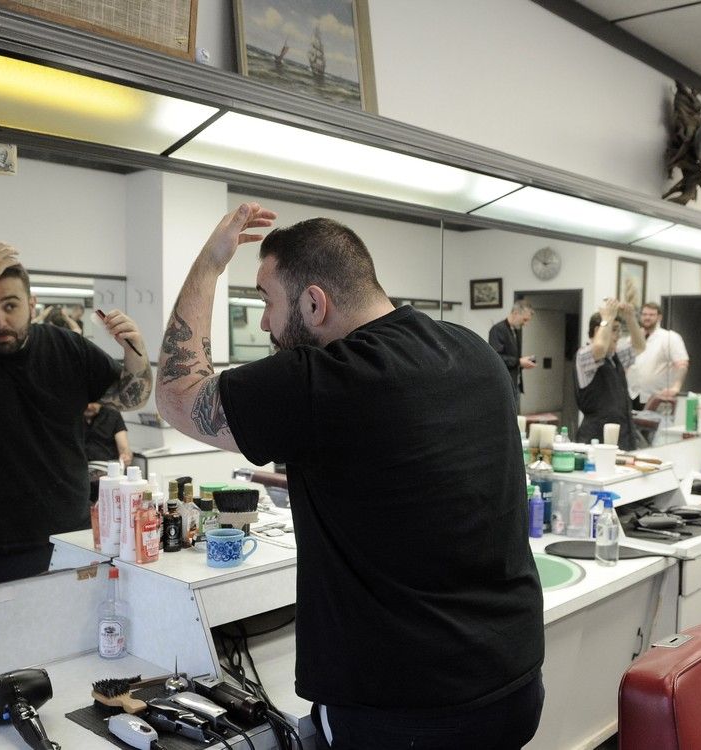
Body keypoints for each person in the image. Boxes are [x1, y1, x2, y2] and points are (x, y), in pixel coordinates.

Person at [156, 204, 545, 749]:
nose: (265, 322)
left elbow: (178, 396)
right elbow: (417, 475)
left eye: (267, 301)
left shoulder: (326, 380)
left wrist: (208, 267)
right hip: (511, 683)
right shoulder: (471, 350)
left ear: (315, 303)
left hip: (407, 712)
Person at [0, 241, 151, 588]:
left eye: (11, 305)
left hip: (69, 537)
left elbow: (131, 398)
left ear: (32, 304)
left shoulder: (65, 347)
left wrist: (136, 352)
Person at [574, 299, 646, 448]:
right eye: (614, 330)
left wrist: (630, 318)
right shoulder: (584, 355)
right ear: (596, 331)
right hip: (596, 436)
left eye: (619, 330)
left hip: (622, 433)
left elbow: (640, 346)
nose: (618, 335)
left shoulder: (615, 356)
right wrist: (607, 318)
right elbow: (599, 348)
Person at [626, 301, 689, 410]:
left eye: (651, 315)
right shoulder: (631, 339)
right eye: (644, 314)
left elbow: (682, 364)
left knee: (656, 426)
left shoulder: (670, 337)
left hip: (658, 397)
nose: (647, 318)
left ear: (659, 317)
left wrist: (676, 387)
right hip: (632, 395)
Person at [488, 300, 537, 412]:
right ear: (515, 313)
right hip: (504, 386)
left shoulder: (515, 331)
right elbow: (496, 358)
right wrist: (519, 362)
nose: (526, 324)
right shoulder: (497, 330)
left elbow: (512, 358)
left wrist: (524, 362)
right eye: (524, 320)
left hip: (515, 384)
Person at [83, 402, 132, 468]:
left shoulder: (113, 415)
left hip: (107, 468)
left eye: (93, 402)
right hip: (79, 468)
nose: (88, 406)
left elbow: (123, 448)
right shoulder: (72, 416)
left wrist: (125, 456)